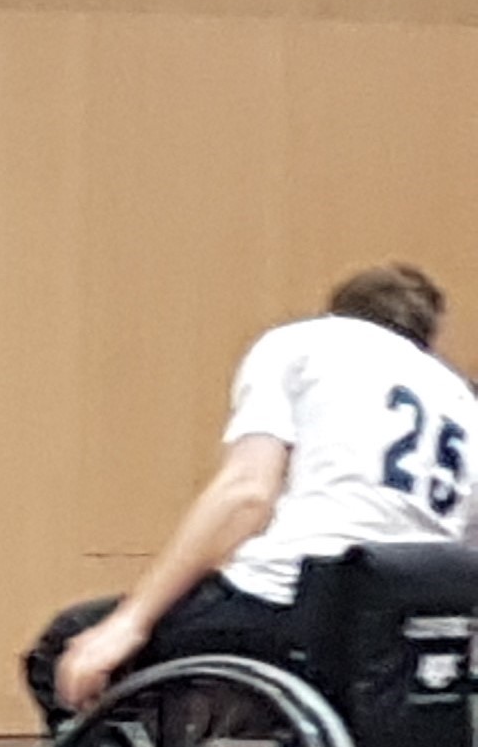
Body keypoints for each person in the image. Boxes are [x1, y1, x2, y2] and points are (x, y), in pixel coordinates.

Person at [26, 264, 476, 722]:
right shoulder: (460, 399)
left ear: (338, 311)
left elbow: (247, 494)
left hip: (298, 601)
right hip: (403, 631)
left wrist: (130, 623)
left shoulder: (301, 345)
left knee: (70, 640)